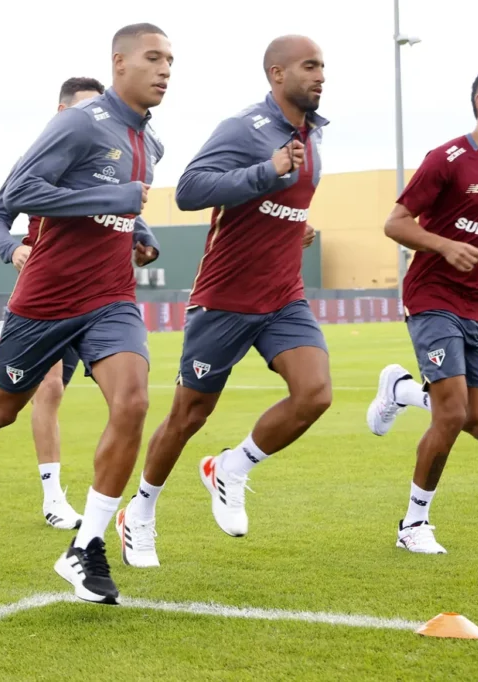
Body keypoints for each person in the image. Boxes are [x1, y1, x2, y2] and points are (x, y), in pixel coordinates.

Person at [0, 23, 168, 606]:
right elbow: (21, 193)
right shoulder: (79, 122)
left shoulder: (151, 143)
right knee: (0, 409)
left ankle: (87, 546)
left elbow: (124, 209)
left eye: (171, 61)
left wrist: (142, 232)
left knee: (133, 402)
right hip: (45, 300)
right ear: (119, 63)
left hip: (111, 299)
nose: (165, 70)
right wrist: (111, 201)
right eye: (153, 58)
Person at [117, 35, 331, 569]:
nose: (321, 76)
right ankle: (139, 513)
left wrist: (295, 228)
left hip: (284, 296)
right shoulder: (245, 128)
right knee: (189, 415)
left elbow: (276, 207)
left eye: (324, 67)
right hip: (226, 298)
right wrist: (267, 170)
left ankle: (232, 467)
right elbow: (191, 190)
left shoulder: (312, 137)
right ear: (277, 74)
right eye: (309, 67)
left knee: (315, 394)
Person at [365, 64, 478, 554]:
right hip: (432, 298)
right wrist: (444, 246)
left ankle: (401, 391)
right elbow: (395, 224)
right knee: (451, 412)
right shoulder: (446, 159)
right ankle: (413, 525)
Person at [0, 76, 119, 531]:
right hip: (46, 291)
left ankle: (4, 337)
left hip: (96, 293)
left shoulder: (116, 159)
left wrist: (144, 240)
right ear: (63, 114)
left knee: (119, 392)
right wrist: (12, 248)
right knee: (49, 390)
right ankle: (53, 498)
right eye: (88, 110)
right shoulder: (35, 160)